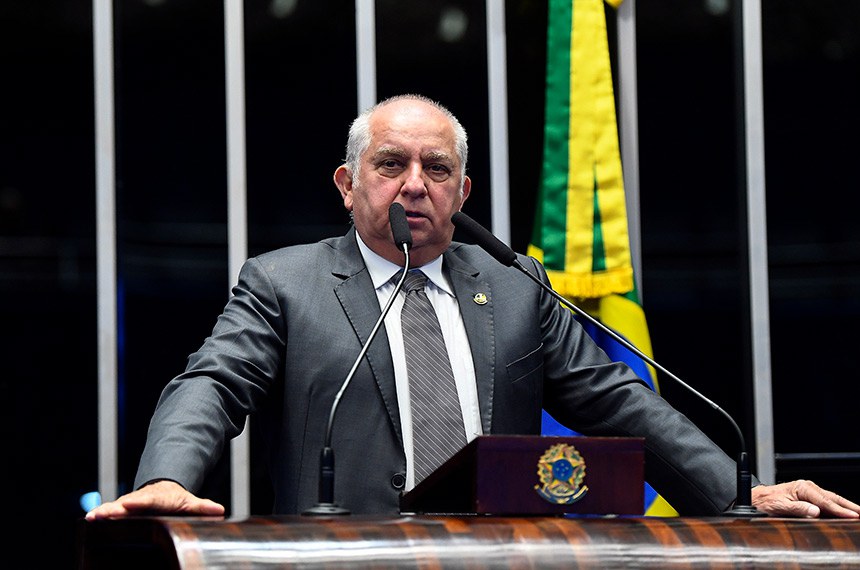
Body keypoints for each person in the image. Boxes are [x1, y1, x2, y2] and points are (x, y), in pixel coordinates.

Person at [86, 94, 860, 521]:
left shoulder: (516, 286)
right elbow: (212, 383)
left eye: (437, 168)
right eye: (390, 164)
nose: (414, 184)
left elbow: (622, 403)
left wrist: (736, 491)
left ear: (464, 192)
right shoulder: (284, 283)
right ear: (348, 185)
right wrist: (165, 477)